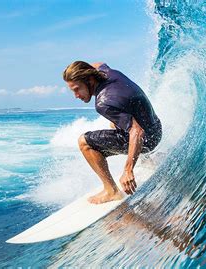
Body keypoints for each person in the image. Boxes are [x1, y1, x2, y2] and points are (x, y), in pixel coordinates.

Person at [63, 61, 162, 204]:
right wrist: (77, 70)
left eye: (77, 89)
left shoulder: (104, 103)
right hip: (156, 128)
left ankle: (111, 191)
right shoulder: (106, 72)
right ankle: (147, 159)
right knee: (115, 121)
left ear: (90, 80)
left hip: (148, 140)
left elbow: (137, 131)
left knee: (84, 142)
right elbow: (98, 63)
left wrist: (128, 170)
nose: (76, 95)